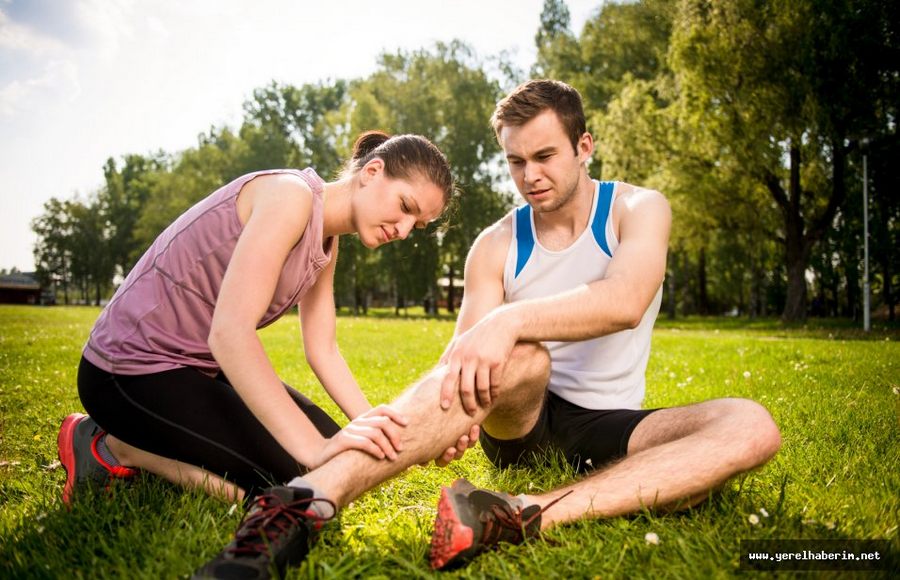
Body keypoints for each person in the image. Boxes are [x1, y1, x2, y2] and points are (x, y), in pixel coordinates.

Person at [185, 79, 780, 579]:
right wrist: (453, 413)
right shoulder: (494, 244)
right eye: (516, 162)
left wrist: (509, 318)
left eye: (545, 157)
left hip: (610, 424)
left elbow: (624, 301)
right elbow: (460, 363)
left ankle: (519, 512)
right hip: (522, 418)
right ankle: (304, 502)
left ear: (584, 146)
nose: (531, 176)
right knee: (526, 356)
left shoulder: (638, 209)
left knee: (749, 426)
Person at [56, 131, 478, 573]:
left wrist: (380, 428)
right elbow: (230, 334)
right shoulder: (290, 198)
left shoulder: (327, 239)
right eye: (406, 207)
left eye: (419, 225)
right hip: (126, 372)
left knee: (336, 463)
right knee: (295, 483)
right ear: (372, 172)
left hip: (194, 370)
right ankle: (111, 446)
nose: (404, 229)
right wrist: (314, 449)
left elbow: (323, 348)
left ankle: (140, 443)